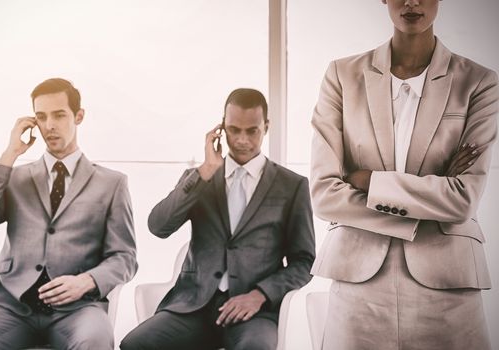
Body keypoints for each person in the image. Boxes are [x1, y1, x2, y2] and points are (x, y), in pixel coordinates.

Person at [309, 1, 496, 349]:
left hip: (449, 287)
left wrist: (370, 181)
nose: (411, 1)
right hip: (358, 284)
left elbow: (462, 200)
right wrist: (430, 195)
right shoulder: (342, 75)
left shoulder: (479, 82)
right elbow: (324, 194)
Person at [121, 88, 315, 350]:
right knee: (135, 344)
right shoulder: (199, 178)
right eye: (234, 130)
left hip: (253, 313)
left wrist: (260, 295)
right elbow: (158, 226)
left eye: (252, 131)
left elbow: (303, 261)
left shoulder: (292, 186)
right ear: (221, 129)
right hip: (193, 307)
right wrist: (205, 171)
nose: (242, 140)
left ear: (266, 127)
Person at [0, 78, 137, 350]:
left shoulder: (112, 183)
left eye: (59, 115)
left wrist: (86, 281)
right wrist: (9, 155)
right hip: (11, 309)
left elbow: (125, 257)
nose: (49, 125)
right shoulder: (13, 177)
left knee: (95, 343)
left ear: (79, 116)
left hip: (78, 310)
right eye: (41, 117)